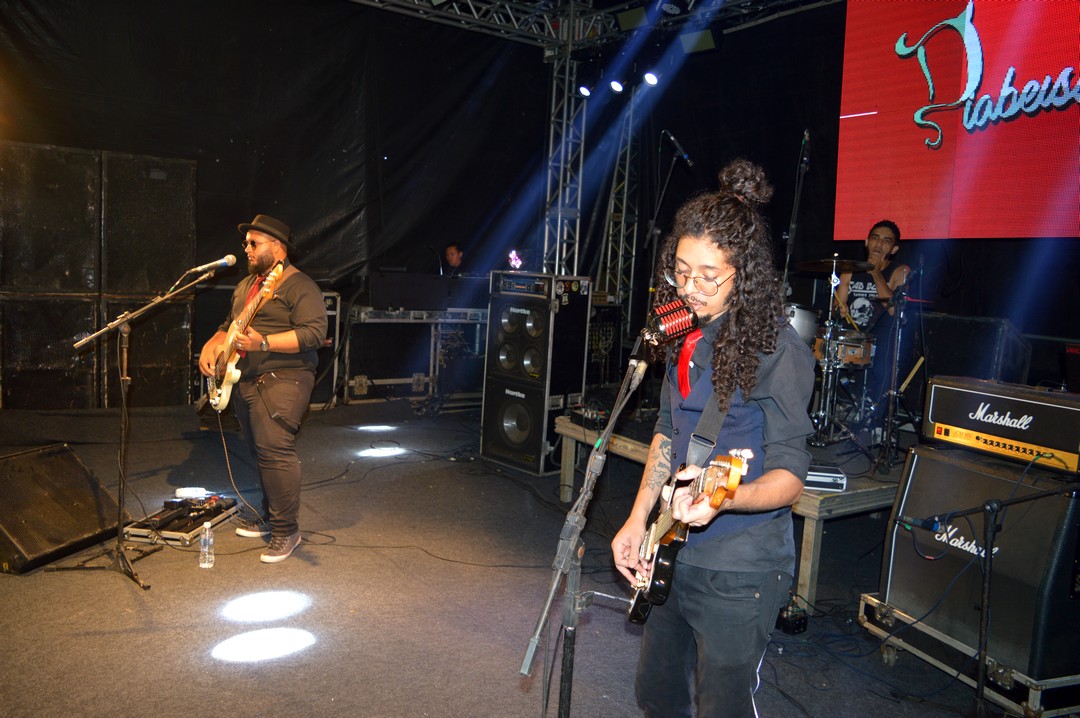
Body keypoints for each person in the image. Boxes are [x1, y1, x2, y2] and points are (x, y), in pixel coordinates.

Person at [611, 159, 816, 717]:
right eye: (681, 271)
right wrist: (637, 521)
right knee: (657, 695)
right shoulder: (685, 332)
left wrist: (723, 498)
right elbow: (666, 433)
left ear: (742, 273)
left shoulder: (777, 349)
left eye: (708, 276)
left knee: (720, 707)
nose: (690, 287)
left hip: (741, 567)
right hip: (673, 546)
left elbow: (791, 477)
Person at [198, 214, 327, 563]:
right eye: (246, 243)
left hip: (287, 376)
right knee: (259, 450)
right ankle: (270, 517)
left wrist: (264, 344)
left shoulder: (299, 285)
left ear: (278, 248)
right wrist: (211, 346)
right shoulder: (246, 287)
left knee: (275, 448)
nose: (247, 249)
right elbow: (228, 326)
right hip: (245, 379)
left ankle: (287, 531)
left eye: (254, 243)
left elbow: (315, 333)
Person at [833, 220, 911, 436]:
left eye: (886, 241)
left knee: (885, 354)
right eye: (875, 238)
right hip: (853, 335)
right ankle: (836, 413)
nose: (879, 244)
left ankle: (876, 421)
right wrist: (840, 307)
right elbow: (837, 306)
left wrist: (875, 272)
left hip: (881, 337)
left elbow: (894, 310)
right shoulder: (851, 270)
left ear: (894, 249)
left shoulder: (899, 270)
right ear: (866, 242)